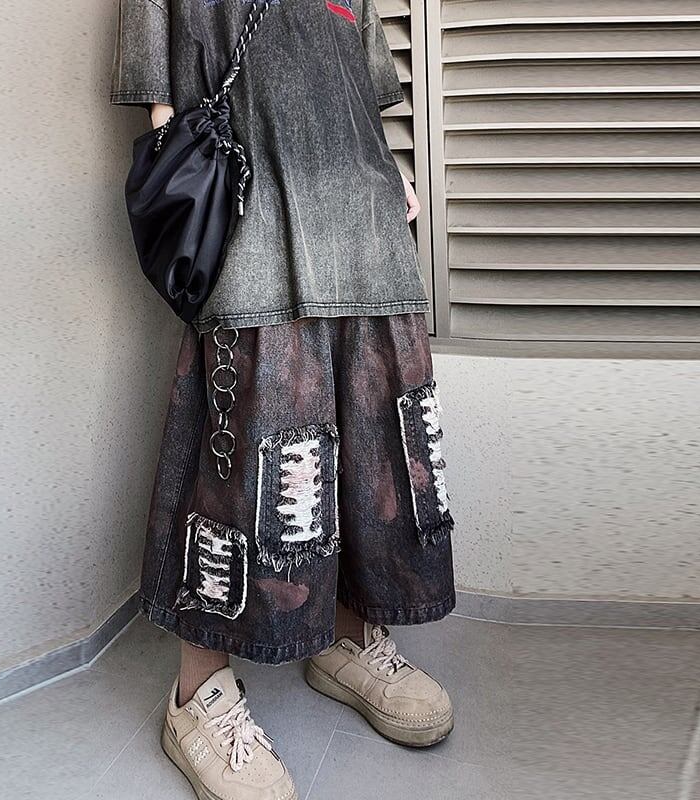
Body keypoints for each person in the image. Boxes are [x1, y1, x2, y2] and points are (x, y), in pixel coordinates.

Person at [111, 1, 456, 797]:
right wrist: (182, 182)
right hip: (253, 211)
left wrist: (392, 174)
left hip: (363, 220)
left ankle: (347, 637)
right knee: (242, 454)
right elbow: (157, 87)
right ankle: (198, 696)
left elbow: (359, 86)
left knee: (374, 445)